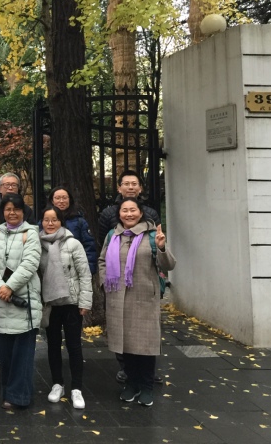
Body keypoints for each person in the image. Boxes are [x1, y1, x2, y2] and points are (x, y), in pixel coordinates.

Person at [99, 198, 175, 407]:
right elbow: (102, 260)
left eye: (133, 210)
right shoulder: (113, 235)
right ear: (119, 214)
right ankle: (131, 384)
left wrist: (161, 247)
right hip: (118, 299)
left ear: (140, 213)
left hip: (143, 298)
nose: (129, 214)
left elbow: (168, 265)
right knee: (125, 345)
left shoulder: (151, 235)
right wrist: (105, 282)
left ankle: (147, 387)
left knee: (145, 346)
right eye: (125, 210)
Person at [96, 170, 162, 383]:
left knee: (145, 329)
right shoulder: (108, 214)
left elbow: (158, 245)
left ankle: (147, 374)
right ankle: (126, 369)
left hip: (141, 282)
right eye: (126, 183)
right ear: (119, 187)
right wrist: (106, 280)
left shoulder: (150, 213)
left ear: (140, 188)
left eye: (134, 183)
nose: (130, 187)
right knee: (120, 327)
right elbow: (103, 245)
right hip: (117, 282)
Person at [0, 193, 42, 409]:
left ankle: (19, 396)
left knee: (22, 355)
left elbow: (30, 263)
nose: (12, 213)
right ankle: (9, 391)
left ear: (23, 211)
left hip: (23, 302)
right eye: (8, 209)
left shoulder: (31, 234)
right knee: (5, 354)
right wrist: (0, 287)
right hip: (2, 301)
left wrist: (9, 287)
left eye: (16, 209)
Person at [38, 206, 92, 410]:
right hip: (50, 304)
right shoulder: (38, 244)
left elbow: (84, 274)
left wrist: (85, 301)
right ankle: (57, 384)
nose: (50, 223)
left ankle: (76, 388)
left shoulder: (73, 243)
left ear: (61, 221)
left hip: (71, 302)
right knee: (52, 345)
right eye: (46, 220)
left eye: (54, 219)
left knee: (74, 346)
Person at [45, 186, 98, 274]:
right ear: (52, 201)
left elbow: (89, 246)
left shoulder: (79, 221)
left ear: (70, 200)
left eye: (64, 198)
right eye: (57, 198)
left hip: (75, 269)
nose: (61, 201)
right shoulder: (44, 221)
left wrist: (89, 270)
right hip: (51, 270)